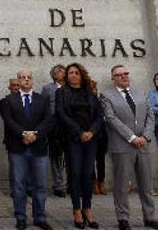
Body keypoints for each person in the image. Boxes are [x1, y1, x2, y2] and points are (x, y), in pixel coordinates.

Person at [101, 65, 158, 230]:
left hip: (144, 145)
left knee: (146, 184)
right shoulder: (106, 95)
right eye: (119, 75)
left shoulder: (141, 94)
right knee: (122, 185)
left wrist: (145, 136)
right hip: (122, 145)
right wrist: (132, 138)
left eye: (125, 73)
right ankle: (123, 219)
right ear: (113, 79)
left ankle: (150, 217)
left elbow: (150, 117)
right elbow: (111, 119)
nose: (123, 77)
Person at [0, 69, 54, 230]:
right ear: (18, 81)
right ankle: (21, 217)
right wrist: (23, 133)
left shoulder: (42, 99)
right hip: (18, 148)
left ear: (32, 80)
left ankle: (40, 217)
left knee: (40, 185)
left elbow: (48, 120)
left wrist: (35, 134)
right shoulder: (9, 100)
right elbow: (9, 121)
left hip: (39, 148)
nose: (26, 80)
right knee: (19, 185)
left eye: (29, 77)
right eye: (22, 78)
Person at [55, 63, 103, 229]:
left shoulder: (90, 93)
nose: (72, 75)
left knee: (88, 174)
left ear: (82, 75)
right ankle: (76, 210)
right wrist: (79, 132)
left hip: (90, 139)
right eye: (70, 73)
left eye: (76, 73)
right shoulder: (61, 92)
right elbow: (61, 114)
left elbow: (99, 116)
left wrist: (91, 132)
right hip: (72, 139)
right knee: (74, 173)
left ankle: (87, 208)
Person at [41, 64, 67, 198]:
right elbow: (43, 106)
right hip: (54, 128)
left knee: (70, 157)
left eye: (63, 70)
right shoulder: (47, 89)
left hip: (69, 127)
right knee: (56, 156)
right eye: (58, 71)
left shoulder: (71, 87)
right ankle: (58, 185)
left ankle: (71, 184)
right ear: (53, 75)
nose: (61, 72)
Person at [0, 77, 22, 193]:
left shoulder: (29, 100)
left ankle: (27, 188)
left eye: (18, 86)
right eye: (14, 86)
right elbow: (9, 120)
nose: (17, 88)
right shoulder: (4, 102)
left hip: (28, 138)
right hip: (13, 139)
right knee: (14, 166)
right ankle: (15, 190)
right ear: (10, 88)